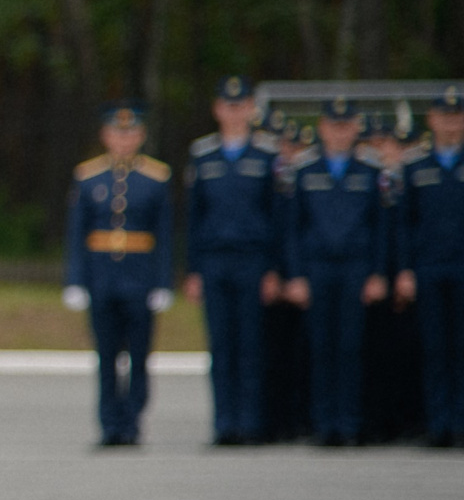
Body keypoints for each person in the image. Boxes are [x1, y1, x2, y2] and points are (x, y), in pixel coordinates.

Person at [281, 98, 391, 446]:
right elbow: (293, 228)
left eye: (346, 125)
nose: (340, 132)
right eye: (333, 125)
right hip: (317, 267)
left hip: (355, 267)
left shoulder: (371, 171)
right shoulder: (304, 169)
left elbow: (382, 228)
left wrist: (377, 273)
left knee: (351, 347)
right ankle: (324, 423)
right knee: (321, 346)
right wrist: (295, 275)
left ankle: (349, 422)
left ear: (356, 127)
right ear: (323, 127)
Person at [62, 104, 173, 447]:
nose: (124, 139)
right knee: (106, 355)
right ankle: (110, 424)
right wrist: (76, 280)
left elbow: (165, 236)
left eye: (130, 133)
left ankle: (132, 421)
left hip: (139, 277)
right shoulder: (88, 176)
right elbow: (77, 233)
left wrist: (163, 282)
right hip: (102, 277)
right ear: (105, 136)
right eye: (117, 132)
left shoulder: (156, 178)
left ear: (140, 136)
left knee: (138, 355)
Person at [184, 77, 282, 444]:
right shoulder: (203, 155)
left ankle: (250, 422)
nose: (235, 113)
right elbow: (194, 217)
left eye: (241, 106)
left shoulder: (266, 156)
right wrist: (193, 269)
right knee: (221, 346)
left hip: (253, 260)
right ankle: (224, 423)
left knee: (251, 346)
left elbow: (277, 218)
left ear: (251, 110)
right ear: (217, 110)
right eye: (228, 106)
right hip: (214, 260)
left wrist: (274, 268)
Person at [397, 85, 464, 445]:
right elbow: (405, 223)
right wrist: (406, 269)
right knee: (435, 349)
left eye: (457, 117)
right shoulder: (416, 166)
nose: (451, 124)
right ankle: (440, 423)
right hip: (430, 267)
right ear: (432, 120)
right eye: (445, 117)